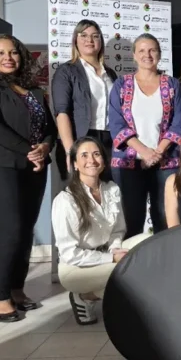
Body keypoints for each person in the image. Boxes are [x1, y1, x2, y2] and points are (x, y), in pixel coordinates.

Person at [0, 34, 57, 323]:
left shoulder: (33, 90)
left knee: (25, 230)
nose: (8, 57)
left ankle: (17, 289)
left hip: (33, 167)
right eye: (1, 53)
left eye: (13, 52)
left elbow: (49, 127)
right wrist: (30, 151)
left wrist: (44, 147)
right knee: (9, 230)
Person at [52, 137, 151, 325]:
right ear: (75, 164)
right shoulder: (65, 200)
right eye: (84, 155)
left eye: (96, 154)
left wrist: (114, 250)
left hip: (107, 253)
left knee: (147, 243)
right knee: (130, 269)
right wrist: (111, 258)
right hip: (76, 267)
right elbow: (70, 254)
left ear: (104, 162)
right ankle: (85, 295)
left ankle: (89, 296)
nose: (91, 160)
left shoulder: (111, 189)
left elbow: (118, 230)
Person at [109, 34, 181, 237]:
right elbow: (116, 124)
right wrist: (144, 151)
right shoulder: (121, 85)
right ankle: (131, 258)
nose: (147, 55)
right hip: (128, 163)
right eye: (142, 50)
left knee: (165, 217)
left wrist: (157, 153)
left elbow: (179, 123)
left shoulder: (173, 85)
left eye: (152, 50)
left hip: (166, 161)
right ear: (134, 55)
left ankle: (166, 256)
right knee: (130, 218)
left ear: (159, 54)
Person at [51, 20, 117, 178]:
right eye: (84, 35)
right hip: (80, 140)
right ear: (75, 40)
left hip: (109, 140)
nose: (90, 40)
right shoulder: (66, 71)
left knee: (108, 190)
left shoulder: (111, 74)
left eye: (95, 36)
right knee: (81, 191)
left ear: (100, 41)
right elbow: (62, 112)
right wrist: (71, 151)